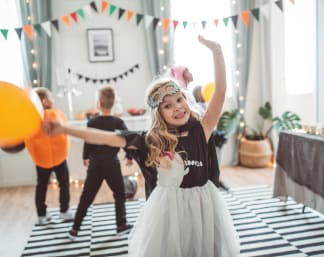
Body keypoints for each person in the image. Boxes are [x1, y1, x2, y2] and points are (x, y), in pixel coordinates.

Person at [43, 35, 240, 256]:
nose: (177, 107)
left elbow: (220, 92)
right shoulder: (150, 140)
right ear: (159, 113)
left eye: (179, 99)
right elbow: (104, 137)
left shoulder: (200, 130)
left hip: (203, 207)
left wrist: (217, 51)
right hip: (168, 213)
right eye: (168, 105)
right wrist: (65, 129)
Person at [69, 86, 133, 240]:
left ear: (98, 103)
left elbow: (88, 140)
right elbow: (128, 139)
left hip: (95, 164)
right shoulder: (118, 121)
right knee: (119, 195)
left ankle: (75, 229)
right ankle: (121, 225)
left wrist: (86, 157)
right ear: (114, 102)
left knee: (87, 196)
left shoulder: (92, 121)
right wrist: (129, 156)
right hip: (111, 164)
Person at [24, 87, 74, 225]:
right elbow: (64, 128)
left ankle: (41, 215)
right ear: (45, 101)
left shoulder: (32, 117)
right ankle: (64, 211)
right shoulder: (55, 114)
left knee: (41, 186)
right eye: (51, 97)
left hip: (42, 159)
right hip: (59, 157)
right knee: (63, 184)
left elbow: (28, 137)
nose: (53, 100)